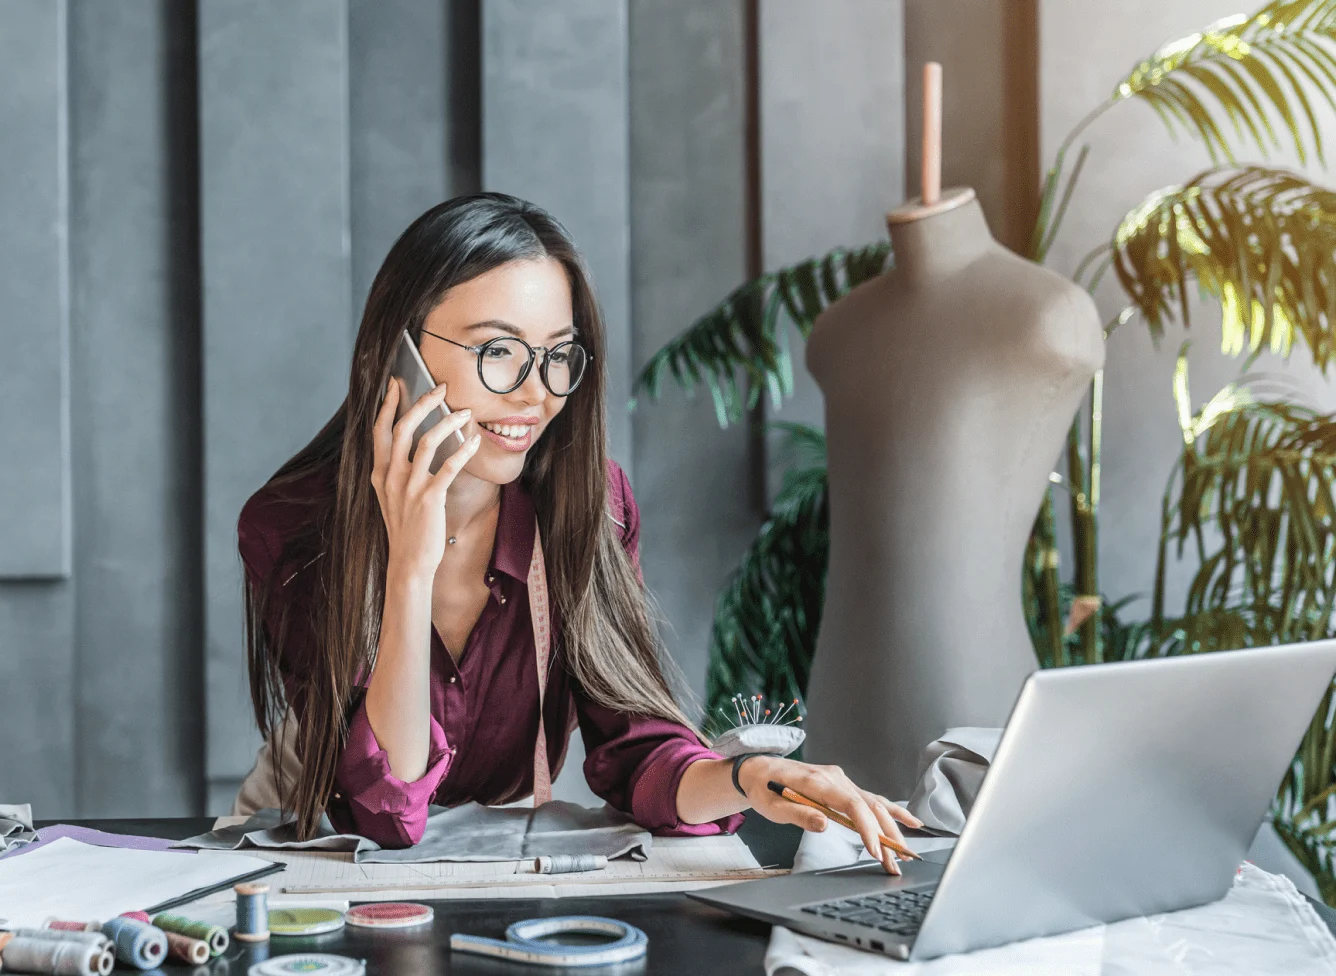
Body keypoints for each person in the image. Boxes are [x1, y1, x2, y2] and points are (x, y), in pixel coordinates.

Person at [235, 192, 918, 870]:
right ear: (397, 356)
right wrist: (411, 561)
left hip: (490, 868)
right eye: (498, 350)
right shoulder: (292, 529)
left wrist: (752, 777)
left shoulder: (586, 504)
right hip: (319, 864)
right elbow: (387, 812)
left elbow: (638, 749)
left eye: (558, 354)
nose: (536, 394)